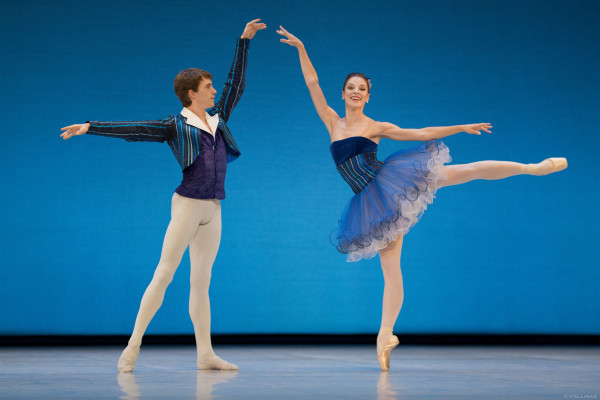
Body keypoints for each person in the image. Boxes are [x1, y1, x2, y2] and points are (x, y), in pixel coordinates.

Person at [277, 26, 567, 371]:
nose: (356, 92)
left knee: (464, 171)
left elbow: (421, 134)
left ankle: (532, 168)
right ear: (342, 93)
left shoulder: (375, 126)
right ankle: (385, 335)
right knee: (391, 269)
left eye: (362, 89)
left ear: (368, 96)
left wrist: (458, 127)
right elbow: (312, 83)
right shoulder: (332, 121)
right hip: (370, 204)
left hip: (393, 184)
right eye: (351, 88)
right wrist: (301, 47)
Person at [60, 19, 266, 372]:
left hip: (213, 208)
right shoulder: (174, 125)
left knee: (202, 282)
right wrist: (90, 127)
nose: (214, 91)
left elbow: (237, 85)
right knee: (165, 273)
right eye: (208, 87)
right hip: (187, 205)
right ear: (192, 94)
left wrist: (244, 42)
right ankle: (133, 344)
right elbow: (135, 129)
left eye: (213, 86)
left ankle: (205, 354)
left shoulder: (218, 118)